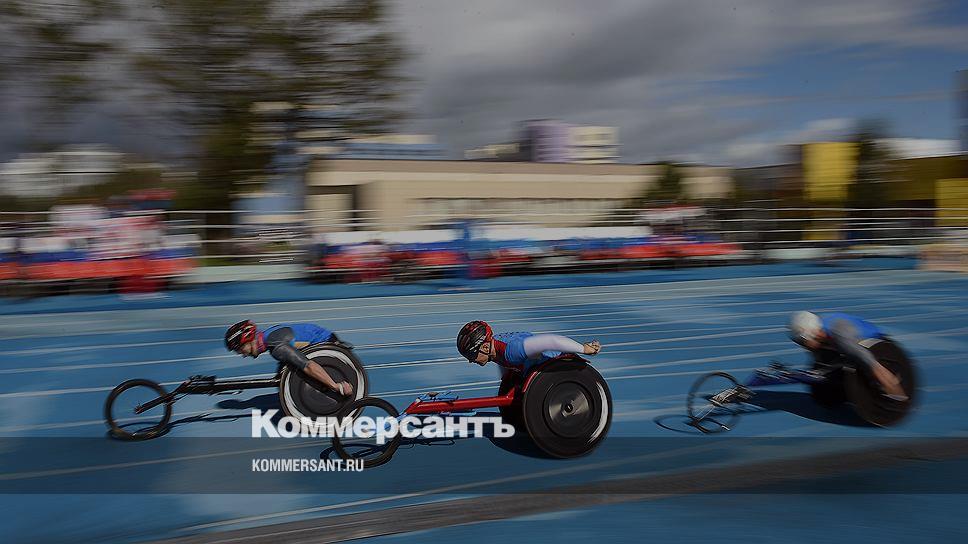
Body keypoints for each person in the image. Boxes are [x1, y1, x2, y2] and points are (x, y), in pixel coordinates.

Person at [788, 311, 907, 401]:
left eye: (802, 342)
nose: (802, 346)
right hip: (842, 344)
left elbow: (873, 365)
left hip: (878, 348)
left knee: (856, 362)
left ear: (813, 333)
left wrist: (895, 390)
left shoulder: (842, 338)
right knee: (823, 395)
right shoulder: (818, 330)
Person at [224, 320, 353, 396]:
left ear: (247, 339)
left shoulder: (275, 346)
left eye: (240, 350)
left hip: (328, 345)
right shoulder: (268, 335)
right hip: (323, 339)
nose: (243, 355)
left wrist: (335, 386)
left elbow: (308, 366)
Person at [456, 320, 601, 371]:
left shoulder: (512, 350)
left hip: (562, 369)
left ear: (485, 347)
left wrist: (584, 349)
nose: (470, 361)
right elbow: (501, 360)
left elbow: (551, 341)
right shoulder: (494, 347)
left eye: (471, 355)